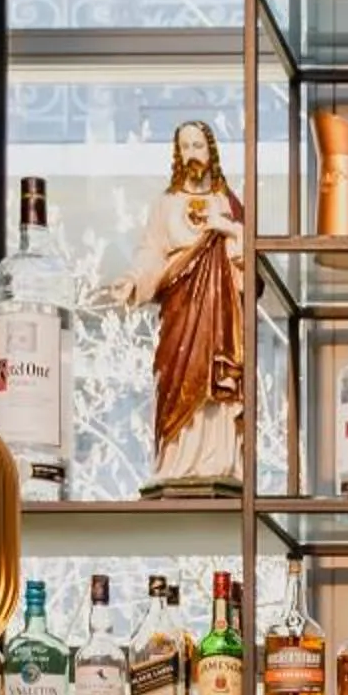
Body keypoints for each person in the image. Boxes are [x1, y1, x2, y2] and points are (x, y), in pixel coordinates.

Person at [109, 118, 245, 493]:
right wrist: (134, 281)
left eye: (197, 146)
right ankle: (177, 459)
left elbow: (251, 256)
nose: (191, 154)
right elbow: (151, 252)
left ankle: (219, 458)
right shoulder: (165, 204)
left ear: (211, 151)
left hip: (219, 312)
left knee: (216, 379)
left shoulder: (227, 201)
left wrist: (228, 229)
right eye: (184, 147)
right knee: (176, 377)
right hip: (181, 309)